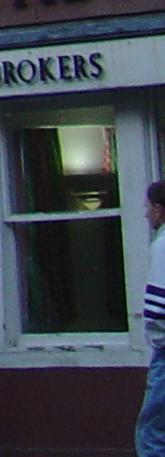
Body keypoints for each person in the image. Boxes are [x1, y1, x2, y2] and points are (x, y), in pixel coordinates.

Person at [141, 182, 165, 457]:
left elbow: (159, 306)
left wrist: (157, 339)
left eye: (148, 207)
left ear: (159, 210)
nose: (145, 213)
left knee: (152, 433)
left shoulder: (162, 246)